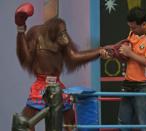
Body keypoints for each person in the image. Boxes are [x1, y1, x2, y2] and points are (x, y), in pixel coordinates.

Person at [15, 3, 109, 131]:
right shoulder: (36, 34)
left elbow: (74, 57)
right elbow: (25, 59)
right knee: (25, 121)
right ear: (52, 33)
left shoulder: (60, 34)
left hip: (57, 84)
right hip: (41, 84)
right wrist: (21, 31)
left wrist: (98, 51)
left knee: (70, 120)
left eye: (65, 32)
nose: (64, 37)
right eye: (61, 33)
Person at [108, 7, 146, 131]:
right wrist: (115, 55)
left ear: (144, 24)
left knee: (145, 125)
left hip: (145, 86)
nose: (131, 30)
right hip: (128, 84)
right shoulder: (133, 33)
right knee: (123, 123)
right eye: (130, 27)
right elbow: (128, 59)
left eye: (133, 27)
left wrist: (129, 53)